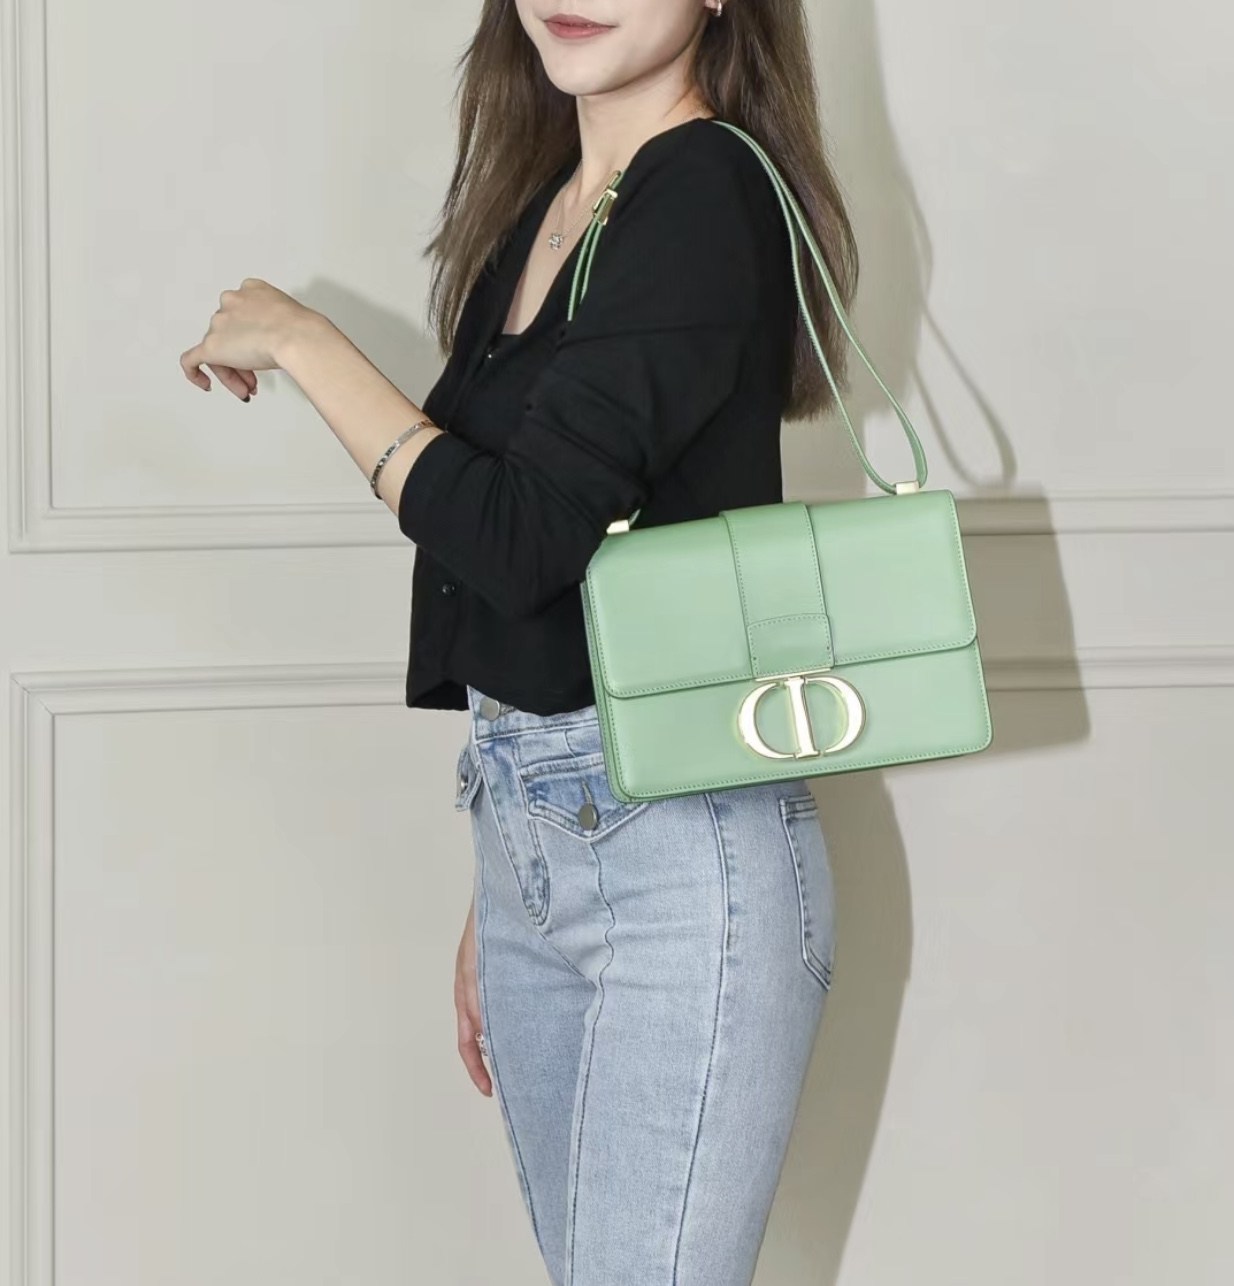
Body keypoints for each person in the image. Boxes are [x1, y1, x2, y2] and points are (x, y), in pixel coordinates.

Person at [180, 3, 858, 1281]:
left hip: (683, 859)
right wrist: (516, 877)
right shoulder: (548, 206)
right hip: (543, 833)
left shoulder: (706, 194)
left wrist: (307, 343)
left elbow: (518, 536)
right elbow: (533, 591)